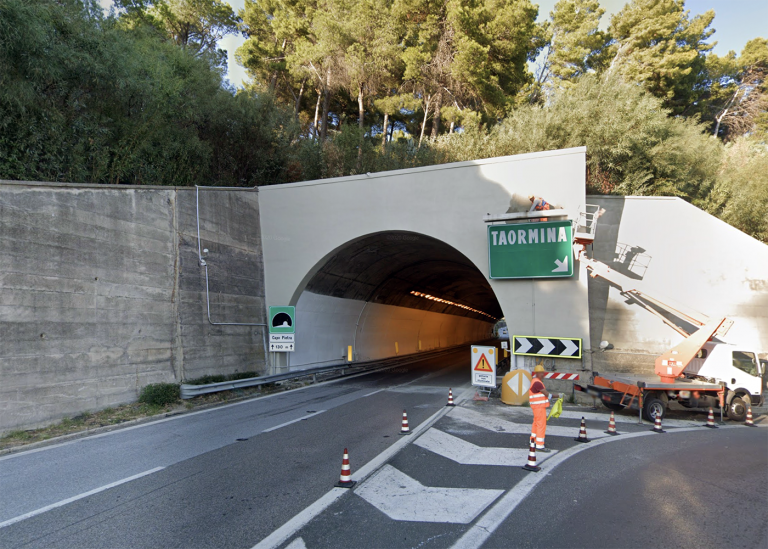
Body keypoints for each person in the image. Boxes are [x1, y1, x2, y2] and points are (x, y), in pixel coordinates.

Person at [529, 365, 551, 452]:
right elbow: (547, 394)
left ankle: (533, 440)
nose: (543, 375)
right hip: (539, 408)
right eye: (541, 373)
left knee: (536, 423)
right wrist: (558, 396)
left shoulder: (535, 381)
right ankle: (539, 445)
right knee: (541, 425)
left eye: (543, 373)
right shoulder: (537, 382)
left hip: (537, 407)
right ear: (537, 373)